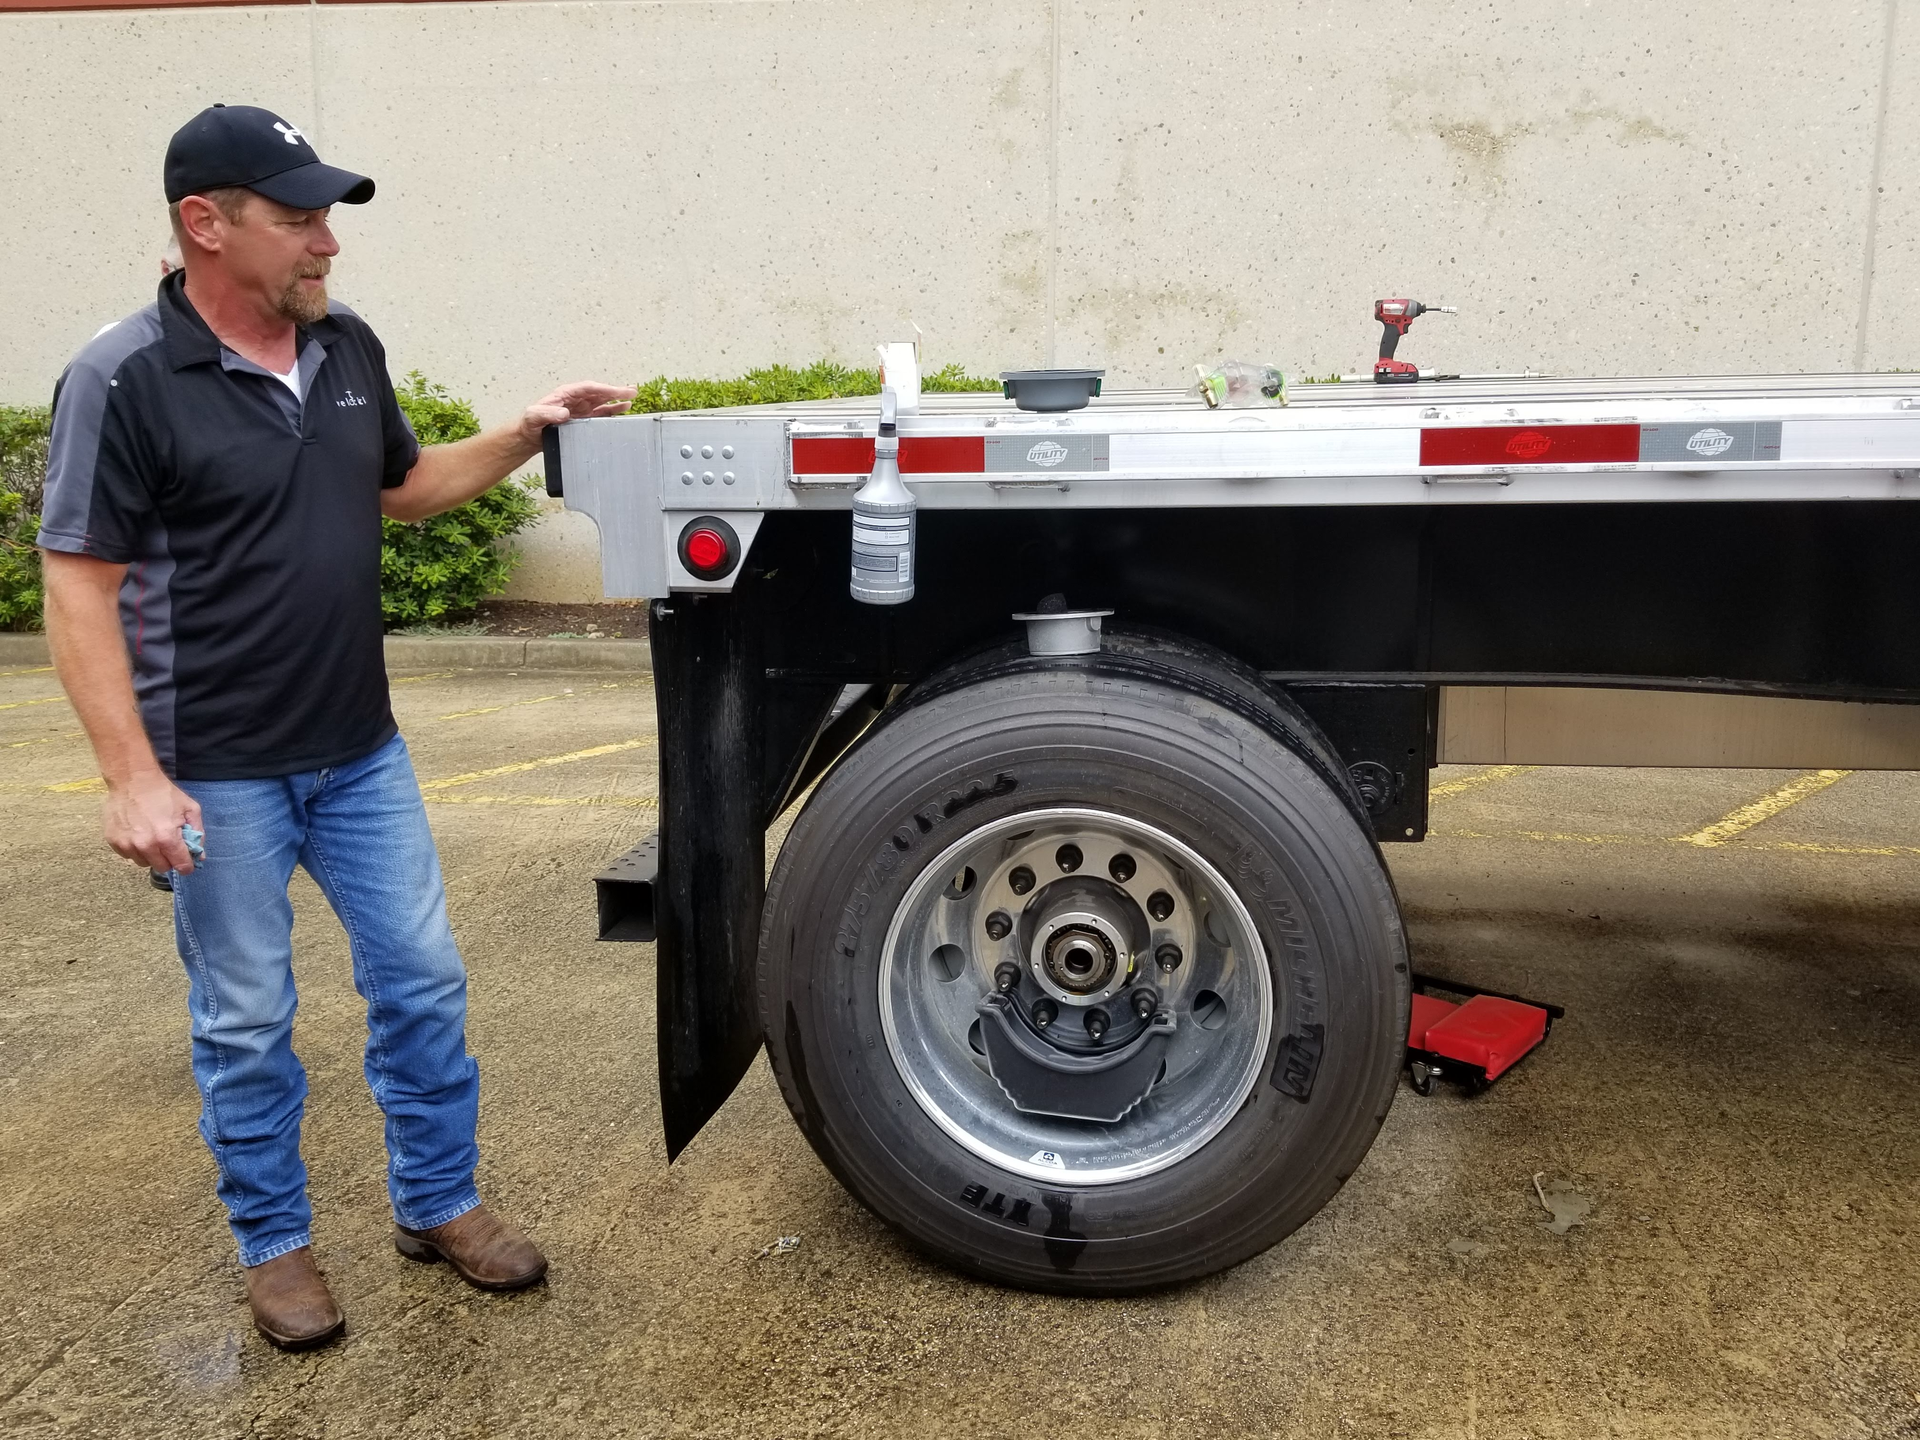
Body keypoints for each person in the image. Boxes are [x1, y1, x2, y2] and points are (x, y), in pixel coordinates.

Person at [37, 104, 634, 1351]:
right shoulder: (123, 378)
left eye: (327, 217)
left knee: (423, 988)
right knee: (247, 1021)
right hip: (216, 771)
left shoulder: (345, 347)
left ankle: (439, 1205)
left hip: (359, 751)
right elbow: (78, 585)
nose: (328, 244)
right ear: (205, 224)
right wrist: (130, 778)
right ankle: (277, 1246)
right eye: (297, 216)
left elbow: (402, 489)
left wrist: (531, 433)